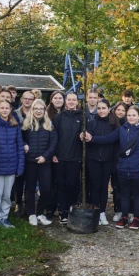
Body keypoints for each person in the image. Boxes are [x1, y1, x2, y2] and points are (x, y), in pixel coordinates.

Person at [86, 105, 139, 230]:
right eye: (129, 115)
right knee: (124, 194)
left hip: (138, 168)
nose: (131, 117)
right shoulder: (121, 129)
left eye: (134, 115)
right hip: (123, 168)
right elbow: (108, 139)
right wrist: (92, 139)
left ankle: (136, 218)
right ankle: (124, 217)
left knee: (137, 194)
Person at [0, 99, 25, 228]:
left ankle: (4, 218)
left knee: (6, 195)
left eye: (6, 108)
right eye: (2, 108)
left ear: (10, 110)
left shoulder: (15, 125)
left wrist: (20, 167)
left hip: (11, 167)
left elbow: (20, 146)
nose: (4, 110)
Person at [22, 99, 58, 226]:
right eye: (36, 108)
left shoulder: (49, 124)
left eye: (41, 109)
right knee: (30, 188)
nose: (38, 111)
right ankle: (31, 213)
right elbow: (20, 139)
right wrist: (25, 144)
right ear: (32, 110)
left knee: (46, 189)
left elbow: (54, 143)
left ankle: (40, 213)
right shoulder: (26, 124)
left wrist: (45, 156)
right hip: (30, 161)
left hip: (45, 162)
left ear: (44, 110)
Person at [85, 99, 118, 225]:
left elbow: (110, 139)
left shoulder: (114, 124)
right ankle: (95, 212)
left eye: (104, 108)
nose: (101, 111)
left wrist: (93, 139)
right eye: (99, 108)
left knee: (104, 187)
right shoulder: (92, 123)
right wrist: (88, 138)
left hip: (107, 159)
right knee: (95, 186)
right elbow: (88, 137)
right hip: (93, 159)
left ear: (109, 109)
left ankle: (102, 212)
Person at [53, 92, 84, 224]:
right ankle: (62, 212)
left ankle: (72, 210)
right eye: (69, 99)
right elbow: (54, 136)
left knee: (73, 185)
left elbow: (84, 135)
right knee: (61, 185)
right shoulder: (59, 117)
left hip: (75, 158)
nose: (71, 102)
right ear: (66, 101)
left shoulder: (82, 117)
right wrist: (53, 153)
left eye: (74, 100)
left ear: (77, 102)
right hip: (60, 157)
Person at [109, 102, 128, 220]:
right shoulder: (110, 123)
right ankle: (118, 210)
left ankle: (127, 210)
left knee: (125, 187)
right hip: (112, 158)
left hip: (125, 159)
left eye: (123, 110)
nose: (120, 112)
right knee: (115, 187)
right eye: (118, 110)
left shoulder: (128, 124)